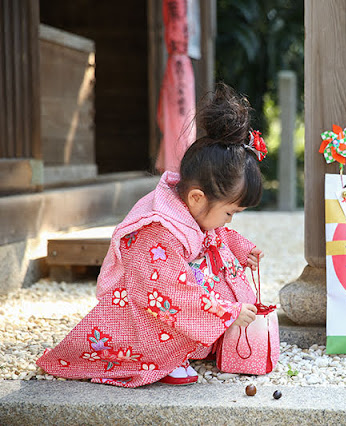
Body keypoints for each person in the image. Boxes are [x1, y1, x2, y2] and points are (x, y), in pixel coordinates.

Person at [36, 83, 268, 387]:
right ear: (198, 198)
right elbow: (171, 294)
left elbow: (215, 236)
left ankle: (183, 348)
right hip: (140, 309)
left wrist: (239, 248)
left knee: (220, 276)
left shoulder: (186, 207)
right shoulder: (157, 230)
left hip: (163, 297)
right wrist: (226, 311)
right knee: (192, 298)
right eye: (229, 213)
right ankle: (163, 357)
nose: (229, 221)